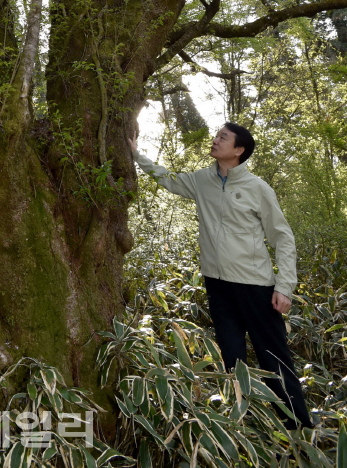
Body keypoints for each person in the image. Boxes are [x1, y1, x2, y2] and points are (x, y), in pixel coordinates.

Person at [128, 120, 312, 429]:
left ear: (239, 150)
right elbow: (169, 179)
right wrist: (136, 155)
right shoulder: (202, 180)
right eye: (217, 135)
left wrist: (285, 286)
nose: (215, 140)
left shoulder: (257, 188)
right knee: (232, 359)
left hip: (256, 287)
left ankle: (300, 430)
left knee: (275, 360)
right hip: (218, 286)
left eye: (223, 138)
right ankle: (245, 427)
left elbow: (283, 237)